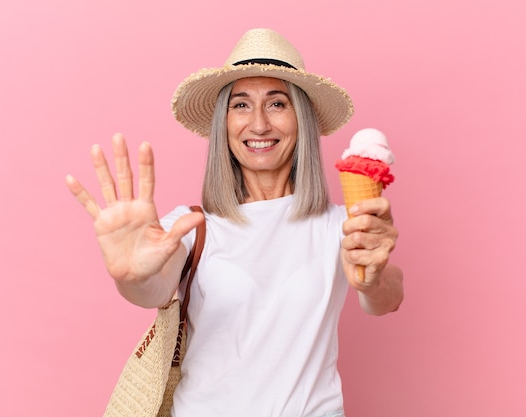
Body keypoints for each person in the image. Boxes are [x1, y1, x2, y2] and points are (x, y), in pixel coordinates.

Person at [66, 28, 403, 417]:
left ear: (302, 119)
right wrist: (130, 276)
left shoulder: (342, 226)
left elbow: (387, 299)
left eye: (277, 104)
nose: (258, 124)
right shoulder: (190, 226)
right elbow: (151, 288)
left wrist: (373, 277)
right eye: (240, 105)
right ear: (223, 123)